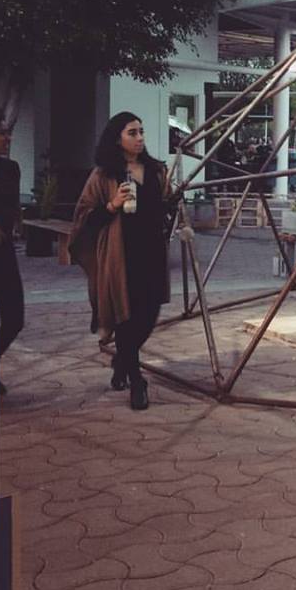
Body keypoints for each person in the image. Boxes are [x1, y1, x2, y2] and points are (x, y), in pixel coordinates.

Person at [69, 112, 170, 410]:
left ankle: (121, 361)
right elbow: (84, 216)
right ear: (118, 138)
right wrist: (112, 205)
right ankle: (137, 382)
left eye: (141, 132)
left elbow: (165, 205)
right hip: (120, 254)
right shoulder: (104, 175)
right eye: (132, 133)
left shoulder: (156, 170)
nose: (140, 138)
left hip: (152, 252)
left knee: (148, 315)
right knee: (126, 316)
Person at [0, 111, 24, 395]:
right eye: (1, 132)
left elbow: (12, 205)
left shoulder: (11, 169)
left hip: (2, 253)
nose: (7, 137)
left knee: (14, 318)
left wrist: (17, 221)